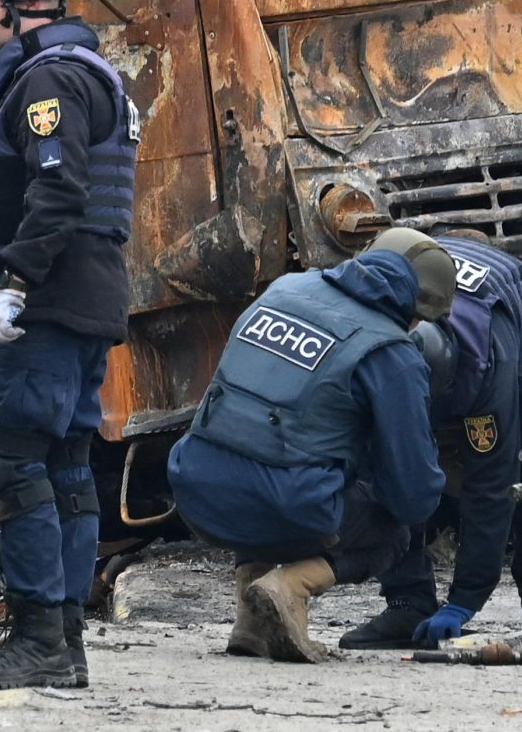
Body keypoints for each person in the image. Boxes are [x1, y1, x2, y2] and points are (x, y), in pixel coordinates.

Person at [0, 0, 136, 693]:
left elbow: (57, 191)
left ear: (24, 7)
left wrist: (16, 282)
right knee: (65, 467)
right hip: (88, 296)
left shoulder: (48, 78)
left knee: (12, 460)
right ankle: (65, 642)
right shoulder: (90, 70)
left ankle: (36, 639)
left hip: (50, 302)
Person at [165, 232, 449, 664]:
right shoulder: (393, 352)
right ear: (417, 309)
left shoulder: (285, 288)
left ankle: (250, 617)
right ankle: (291, 586)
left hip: (194, 491)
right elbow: (415, 496)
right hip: (283, 506)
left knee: (262, 453)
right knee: (393, 529)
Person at [341, 233, 522, 650]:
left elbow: (491, 485)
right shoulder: (377, 336)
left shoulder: (488, 361)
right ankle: (407, 602)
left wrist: (464, 601)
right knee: (388, 463)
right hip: (431, 266)